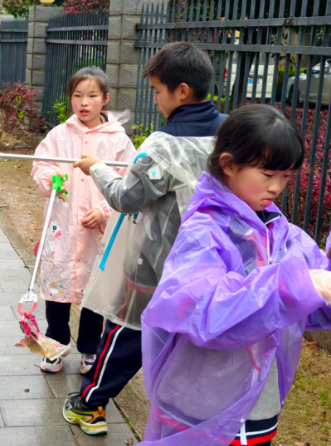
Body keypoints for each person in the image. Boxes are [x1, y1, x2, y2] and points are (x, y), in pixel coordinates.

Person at [140, 104, 331, 445]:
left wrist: (317, 285)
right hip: (201, 406)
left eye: (286, 177)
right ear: (228, 164)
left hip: (258, 407)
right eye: (268, 174)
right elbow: (206, 312)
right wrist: (298, 286)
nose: (277, 187)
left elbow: (314, 301)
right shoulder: (204, 232)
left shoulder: (282, 233)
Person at [65, 42, 228, 435]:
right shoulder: (231, 134)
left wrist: (97, 168)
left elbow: (126, 198)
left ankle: (91, 404)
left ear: (181, 91)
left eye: (157, 91)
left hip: (155, 264)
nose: (155, 99)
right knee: (190, 340)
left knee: (127, 333)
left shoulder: (162, 144)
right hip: (213, 263)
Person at [31, 67, 136, 375]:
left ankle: (90, 348)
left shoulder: (118, 141)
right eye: (77, 95)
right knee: (57, 287)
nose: (84, 102)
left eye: (92, 96)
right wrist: (51, 177)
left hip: (98, 230)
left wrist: (104, 210)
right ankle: (55, 344)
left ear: (106, 99)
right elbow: (40, 165)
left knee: (94, 290)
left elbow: (128, 181)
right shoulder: (59, 135)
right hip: (63, 226)